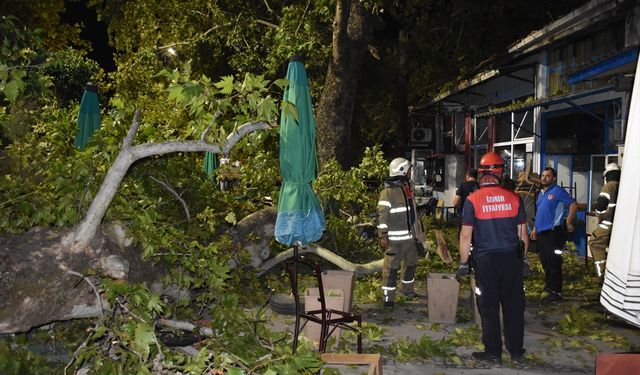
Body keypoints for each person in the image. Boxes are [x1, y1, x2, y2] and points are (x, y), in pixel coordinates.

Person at [456, 151, 529, 364]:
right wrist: (523, 260)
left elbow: (465, 235)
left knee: (488, 308)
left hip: (486, 262)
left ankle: (493, 352)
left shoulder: (472, 200)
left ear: (481, 173)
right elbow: (523, 235)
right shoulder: (514, 199)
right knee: (514, 306)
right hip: (511, 261)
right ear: (500, 172)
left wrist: (463, 264)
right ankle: (516, 351)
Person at [377, 157, 426, 308]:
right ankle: (388, 299)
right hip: (394, 242)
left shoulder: (406, 190)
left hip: (410, 240)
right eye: (409, 170)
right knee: (390, 270)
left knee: (410, 266)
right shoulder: (387, 193)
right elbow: (382, 216)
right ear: (402, 171)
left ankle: (408, 291)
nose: (411, 172)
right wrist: (383, 236)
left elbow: (412, 215)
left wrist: (418, 236)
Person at [530, 167, 578, 302]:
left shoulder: (558, 191)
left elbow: (574, 204)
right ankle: (549, 287)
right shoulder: (540, 193)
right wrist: (534, 229)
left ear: (554, 178)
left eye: (548, 176)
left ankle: (556, 292)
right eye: (543, 175)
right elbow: (540, 213)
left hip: (553, 234)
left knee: (554, 263)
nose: (544, 178)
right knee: (545, 262)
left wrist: (568, 221)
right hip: (541, 234)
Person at [589, 162, 620, 277]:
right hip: (619, 225)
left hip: (607, 224)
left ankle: (602, 274)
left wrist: (599, 215)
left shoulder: (609, 186)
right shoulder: (622, 185)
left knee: (594, 243)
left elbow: (601, 204)